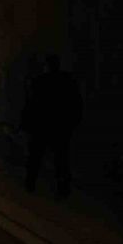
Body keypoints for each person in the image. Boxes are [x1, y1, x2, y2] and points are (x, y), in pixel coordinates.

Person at [22, 55, 82, 198]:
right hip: (59, 127)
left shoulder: (39, 82)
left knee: (35, 158)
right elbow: (76, 103)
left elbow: (31, 105)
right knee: (61, 160)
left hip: (42, 127)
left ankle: (29, 187)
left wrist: (25, 124)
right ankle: (63, 191)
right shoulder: (67, 81)